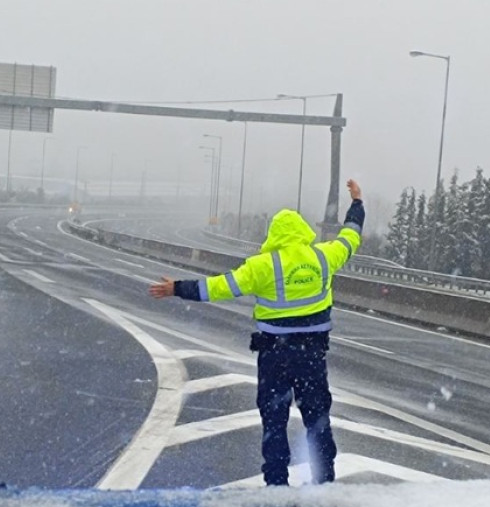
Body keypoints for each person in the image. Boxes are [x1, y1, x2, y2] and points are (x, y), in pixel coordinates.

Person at [149, 179, 365, 486]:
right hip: (312, 356)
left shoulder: (262, 266)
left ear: (274, 234)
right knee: (317, 419)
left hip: (274, 355)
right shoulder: (323, 257)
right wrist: (357, 204)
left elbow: (219, 287)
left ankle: (276, 483)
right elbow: (350, 237)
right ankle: (325, 481)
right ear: (304, 232)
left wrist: (177, 288)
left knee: (274, 420)